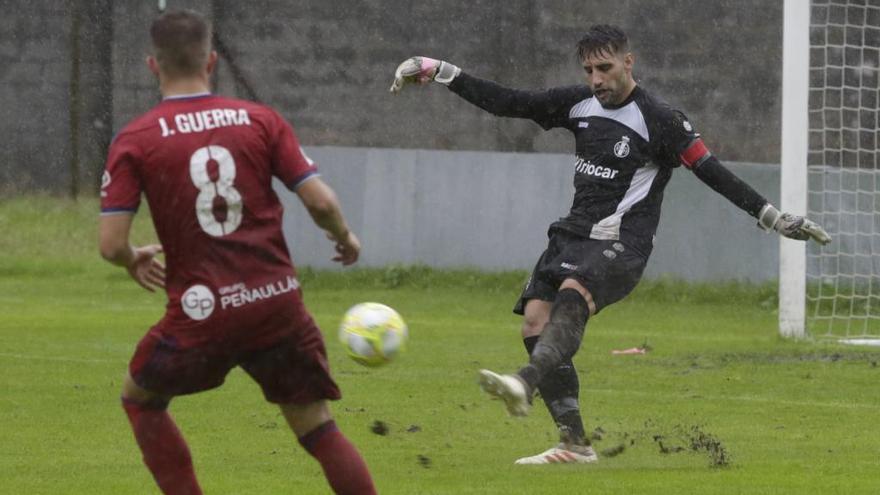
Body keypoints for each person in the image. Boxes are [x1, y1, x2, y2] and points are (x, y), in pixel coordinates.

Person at [390, 24, 830, 465]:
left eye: (605, 68)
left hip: (621, 243)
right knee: (535, 321)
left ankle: (523, 382)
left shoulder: (661, 119)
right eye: (589, 70)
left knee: (570, 298)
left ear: (628, 62)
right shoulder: (578, 102)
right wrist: (441, 71)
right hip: (570, 235)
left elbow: (712, 171)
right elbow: (510, 103)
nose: (597, 79)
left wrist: (772, 217)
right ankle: (575, 444)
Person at [99, 9, 376, 494]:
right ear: (211, 62)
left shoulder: (136, 139)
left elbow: (112, 245)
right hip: (276, 305)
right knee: (317, 426)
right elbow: (320, 200)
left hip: (202, 311)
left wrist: (131, 259)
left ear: (152, 66)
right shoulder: (260, 119)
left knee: (141, 401)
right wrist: (345, 237)